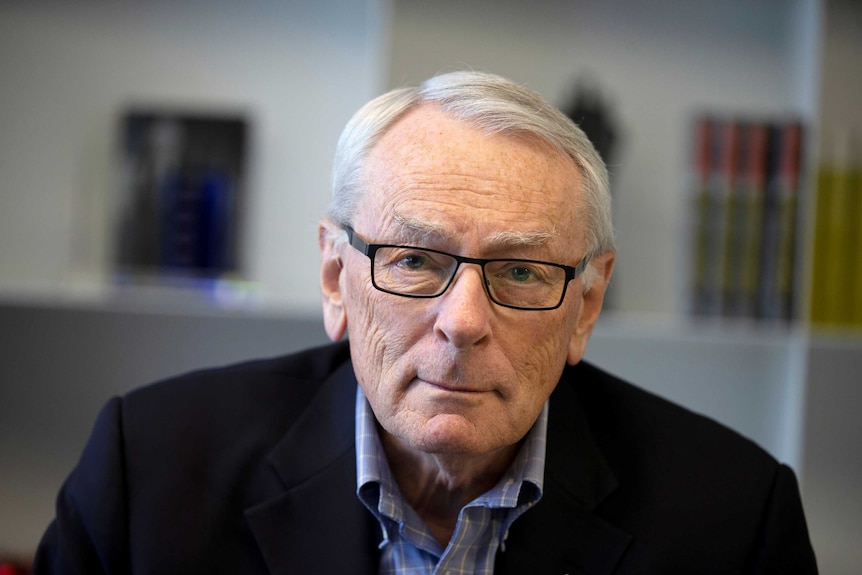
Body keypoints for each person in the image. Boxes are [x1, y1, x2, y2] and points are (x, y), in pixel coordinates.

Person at [34, 71, 817, 574]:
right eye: (414, 259)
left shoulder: (734, 520)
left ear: (585, 306)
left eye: (520, 270)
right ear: (337, 279)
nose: (464, 322)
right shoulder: (151, 471)